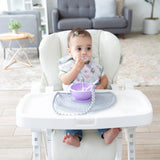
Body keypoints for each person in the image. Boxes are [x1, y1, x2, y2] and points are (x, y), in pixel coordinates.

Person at [58, 28, 121, 147]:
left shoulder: (94, 66)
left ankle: (106, 133)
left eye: (88, 48)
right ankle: (74, 137)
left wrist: (102, 86)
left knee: (101, 113)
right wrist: (76, 68)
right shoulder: (67, 65)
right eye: (79, 49)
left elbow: (104, 77)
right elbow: (65, 80)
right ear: (70, 52)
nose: (84, 52)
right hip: (73, 100)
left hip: (93, 98)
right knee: (70, 117)